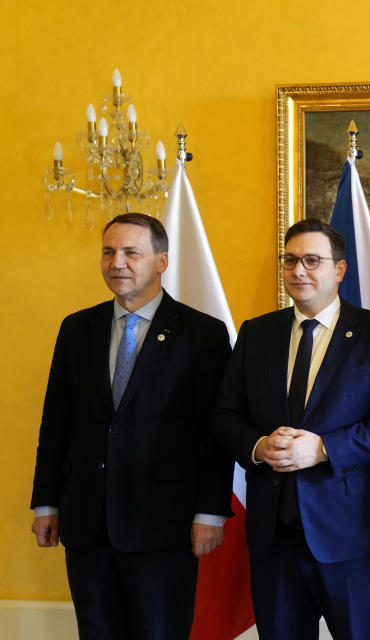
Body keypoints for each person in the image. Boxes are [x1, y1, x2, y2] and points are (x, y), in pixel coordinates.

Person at [212, 219, 370, 640]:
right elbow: (224, 414)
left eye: (312, 260)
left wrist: (325, 448)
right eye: (290, 261)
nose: (298, 270)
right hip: (274, 538)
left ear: (339, 270)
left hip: (352, 534)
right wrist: (257, 446)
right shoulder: (257, 334)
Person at [29, 212, 234, 639]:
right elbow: (56, 422)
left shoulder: (203, 334)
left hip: (166, 525)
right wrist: (46, 503)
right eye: (108, 252)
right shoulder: (76, 328)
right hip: (87, 522)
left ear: (161, 262)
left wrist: (211, 511)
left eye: (131, 252)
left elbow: (213, 433)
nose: (117, 262)